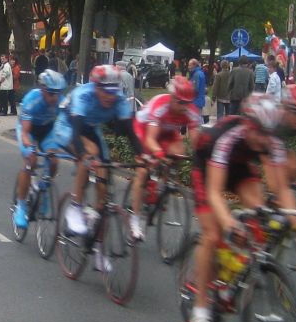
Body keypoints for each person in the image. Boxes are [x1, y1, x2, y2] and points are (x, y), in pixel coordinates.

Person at [186, 95, 293, 322]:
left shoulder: (271, 140)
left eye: (269, 134)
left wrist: (293, 219)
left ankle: (230, 273)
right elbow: (214, 192)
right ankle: (200, 309)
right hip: (207, 166)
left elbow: (281, 189)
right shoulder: (227, 137)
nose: (265, 140)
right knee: (213, 234)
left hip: (240, 168)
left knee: (259, 214)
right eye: (260, 133)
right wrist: (228, 223)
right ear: (247, 125)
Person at [51, 65, 142, 259]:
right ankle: (75, 207)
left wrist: (143, 156)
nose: (110, 96)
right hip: (68, 126)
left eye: (113, 91)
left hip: (91, 128)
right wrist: (85, 157)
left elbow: (130, 133)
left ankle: (98, 245)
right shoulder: (83, 95)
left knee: (104, 187)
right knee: (90, 155)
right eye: (106, 91)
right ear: (96, 87)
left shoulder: (119, 99)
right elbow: (76, 134)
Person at [127, 76, 201, 241]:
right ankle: (135, 220)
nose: (184, 107)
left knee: (179, 151)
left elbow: (196, 142)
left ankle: (165, 185)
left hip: (167, 132)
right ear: (172, 97)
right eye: (181, 102)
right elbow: (150, 140)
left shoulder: (191, 111)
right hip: (144, 129)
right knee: (143, 170)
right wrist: (158, 154)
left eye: (188, 103)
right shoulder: (161, 105)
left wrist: (200, 159)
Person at [12, 69, 67, 230]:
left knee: (54, 160)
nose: (54, 97)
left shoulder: (61, 101)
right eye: (51, 93)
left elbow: (65, 127)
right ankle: (21, 206)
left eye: (58, 93)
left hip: (47, 130)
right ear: (42, 89)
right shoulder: (32, 99)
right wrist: (31, 148)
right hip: (28, 130)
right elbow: (25, 133)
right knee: (31, 160)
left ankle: (44, 188)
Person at [188, 58, 208, 123]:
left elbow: (195, 89)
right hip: (200, 100)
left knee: (195, 121)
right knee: (198, 119)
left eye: (190, 65)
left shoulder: (196, 74)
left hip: (195, 101)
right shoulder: (201, 73)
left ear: (194, 65)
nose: (188, 67)